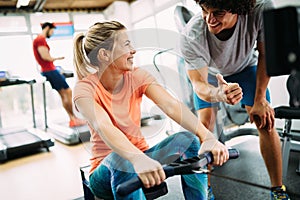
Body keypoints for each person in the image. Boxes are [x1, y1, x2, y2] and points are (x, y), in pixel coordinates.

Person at [73, 21, 229, 199]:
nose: (133, 50)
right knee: (123, 161)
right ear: (104, 54)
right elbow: (103, 125)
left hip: (141, 157)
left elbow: (171, 105)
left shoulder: (136, 76)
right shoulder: (84, 89)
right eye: (126, 44)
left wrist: (207, 137)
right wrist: (136, 158)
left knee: (188, 140)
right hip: (105, 172)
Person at [180, 0, 290, 199]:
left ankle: (277, 190)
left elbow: (266, 55)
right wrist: (218, 94)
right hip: (211, 75)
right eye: (205, 11)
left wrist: (259, 99)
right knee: (205, 129)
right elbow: (199, 85)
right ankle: (205, 190)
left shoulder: (260, 10)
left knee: (265, 121)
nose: (209, 19)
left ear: (238, 9)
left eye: (218, 13)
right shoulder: (192, 34)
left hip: (246, 68)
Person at [33, 22, 86, 127]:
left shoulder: (39, 40)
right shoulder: (40, 39)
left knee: (64, 94)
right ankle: (74, 118)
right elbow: (45, 57)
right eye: (52, 31)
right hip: (50, 70)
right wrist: (57, 58)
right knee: (68, 92)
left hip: (49, 70)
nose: (52, 33)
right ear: (47, 28)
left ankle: (72, 119)